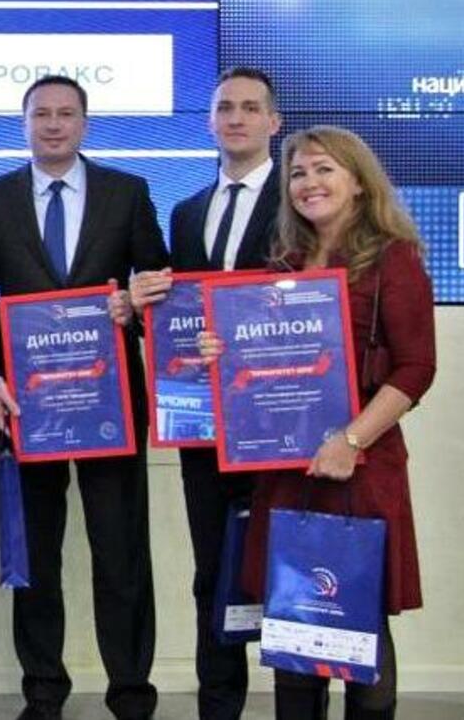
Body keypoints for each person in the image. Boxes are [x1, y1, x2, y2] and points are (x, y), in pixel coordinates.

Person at [202, 126, 435, 720]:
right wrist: (221, 350)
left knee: (358, 620)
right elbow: (262, 364)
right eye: (299, 173)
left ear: (358, 182)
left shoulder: (395, 258)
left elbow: (416, 368)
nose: (309, 183)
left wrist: (350, 441)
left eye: (324, 169)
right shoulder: (283, 263)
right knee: (294, 623)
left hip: (360, 465)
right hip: (289, 468)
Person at [0, 75, 169, 720]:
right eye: (41, 115)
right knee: (36, 558)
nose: (54, 124)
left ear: (84, 122)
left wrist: (132, 307)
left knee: (121, 555)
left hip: (110, 407)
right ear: (24, 124)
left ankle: (131, 692)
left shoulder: (127, 192)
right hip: (25, 407)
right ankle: (43, 692)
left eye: (65, 114)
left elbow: (158, 288)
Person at [125, 67, 283, 720]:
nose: (236, 118)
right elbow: (179, 314)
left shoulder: (302, 199)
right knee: (212, 572)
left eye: (250, 107)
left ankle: (297, 704)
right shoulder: (186, 211)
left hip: (281, 420)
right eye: (225, 108)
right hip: (206, 423)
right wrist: (141, 303)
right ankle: (219, 706)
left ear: (274, 121)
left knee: (289, 572)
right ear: (210, 121)